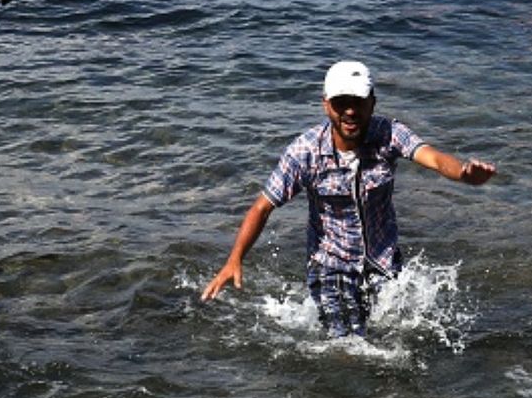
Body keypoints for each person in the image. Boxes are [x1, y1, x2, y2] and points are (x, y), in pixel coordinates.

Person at [201, 61, 496, 338]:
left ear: (372, 103)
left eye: (358, 102)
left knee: (398, 333)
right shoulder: (305, 152)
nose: (350, 112)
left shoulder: (389, 133)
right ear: (326, 105)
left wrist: (463, 174)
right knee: (349, 345)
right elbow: (263, 206)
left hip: (383, 260)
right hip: (330, 264)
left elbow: (431, 157)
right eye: (341, 103)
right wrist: (234, 259)